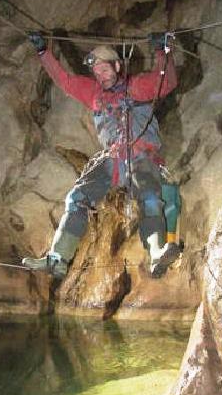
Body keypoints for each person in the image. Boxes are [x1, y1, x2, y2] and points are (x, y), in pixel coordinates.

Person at [22, 31, 181, 279]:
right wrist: (44, 53)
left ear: (117, 66)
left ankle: (157, 253)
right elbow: (64, 81)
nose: (101, 76)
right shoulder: (94, 94)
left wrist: (163, 52)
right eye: (96, 72)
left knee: (150, 198)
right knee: (77, 197)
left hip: (141, 158)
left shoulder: (136, 87)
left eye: (105, 70)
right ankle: (58, 258)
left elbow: (167, 82)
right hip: (112, 161)